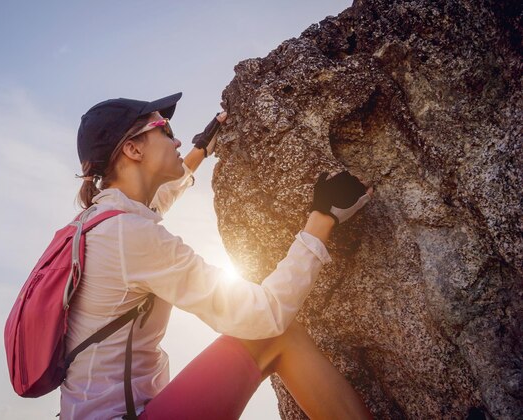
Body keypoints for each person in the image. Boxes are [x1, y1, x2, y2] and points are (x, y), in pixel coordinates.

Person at [61, 92, 373, 420]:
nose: (176, 139)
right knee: (277, 334)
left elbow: (155, 201)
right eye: (164, 129)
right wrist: (322, 219)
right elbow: (262, 315)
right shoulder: (130, 235)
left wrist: (203, 149)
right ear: (133, 149)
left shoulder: (94, 223)